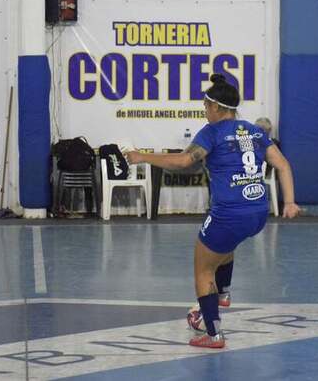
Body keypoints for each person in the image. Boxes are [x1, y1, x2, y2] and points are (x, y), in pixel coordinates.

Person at [125, 74, 300, 348]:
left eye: (206, 106)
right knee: (225, 245)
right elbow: (284, 165)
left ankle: (213, 334)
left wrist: (142, 156)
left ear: (218, 108)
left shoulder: (212, 132)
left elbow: (184, 161)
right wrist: (289, 202)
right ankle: (225, 292)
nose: (204, 111)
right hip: (257, 212)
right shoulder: (255, 131)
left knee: (203, 270)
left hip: (229, 213)